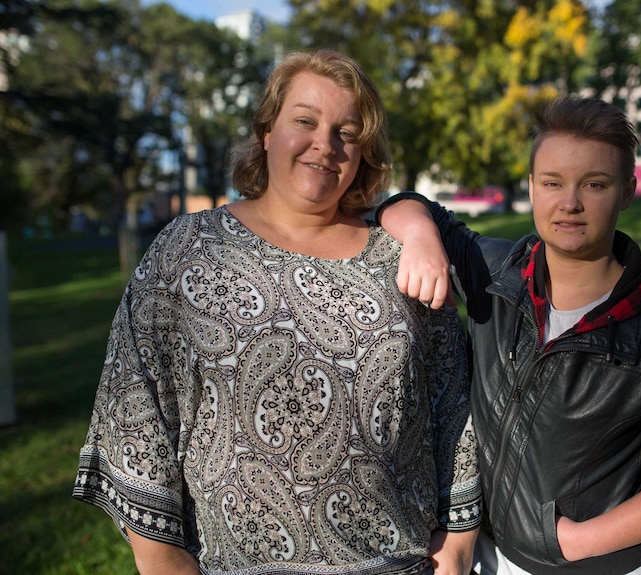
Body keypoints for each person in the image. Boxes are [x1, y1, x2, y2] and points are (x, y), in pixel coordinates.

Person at [73, 49, 481, 575]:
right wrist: (161, 560)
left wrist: (461, 539)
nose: (325, 145)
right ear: (267, 130)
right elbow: (135, 411)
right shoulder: (189, 250)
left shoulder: (401, 255)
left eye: (347, 132)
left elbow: (455, 399)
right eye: (304, 121)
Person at [377, 96, 641, 574]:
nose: (570, 203)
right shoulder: (495, 274)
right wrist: (422, 236)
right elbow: (405, 205)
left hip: (598, 565)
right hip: (487, 553)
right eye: (552, 183)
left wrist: (579, 540)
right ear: (531, 187)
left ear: (626, 191)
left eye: (594, 184)